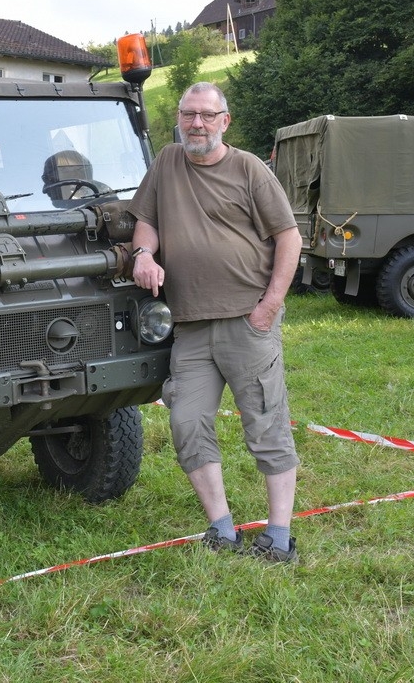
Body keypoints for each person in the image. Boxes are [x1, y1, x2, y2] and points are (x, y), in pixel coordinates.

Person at [128, 82, 302, 563]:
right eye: (189, 114)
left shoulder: (249, 169)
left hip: (247, 321)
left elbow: (289, 238)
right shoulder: (166, 163)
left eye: (207, 115)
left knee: (265, 423)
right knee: (186, 422)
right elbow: (147, 221)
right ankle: (221, 528)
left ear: (225, 121)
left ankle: (279, 536)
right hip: (190, 326)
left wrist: (269, 306)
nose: (197, 124)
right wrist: (144, 253)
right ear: (179, 119)